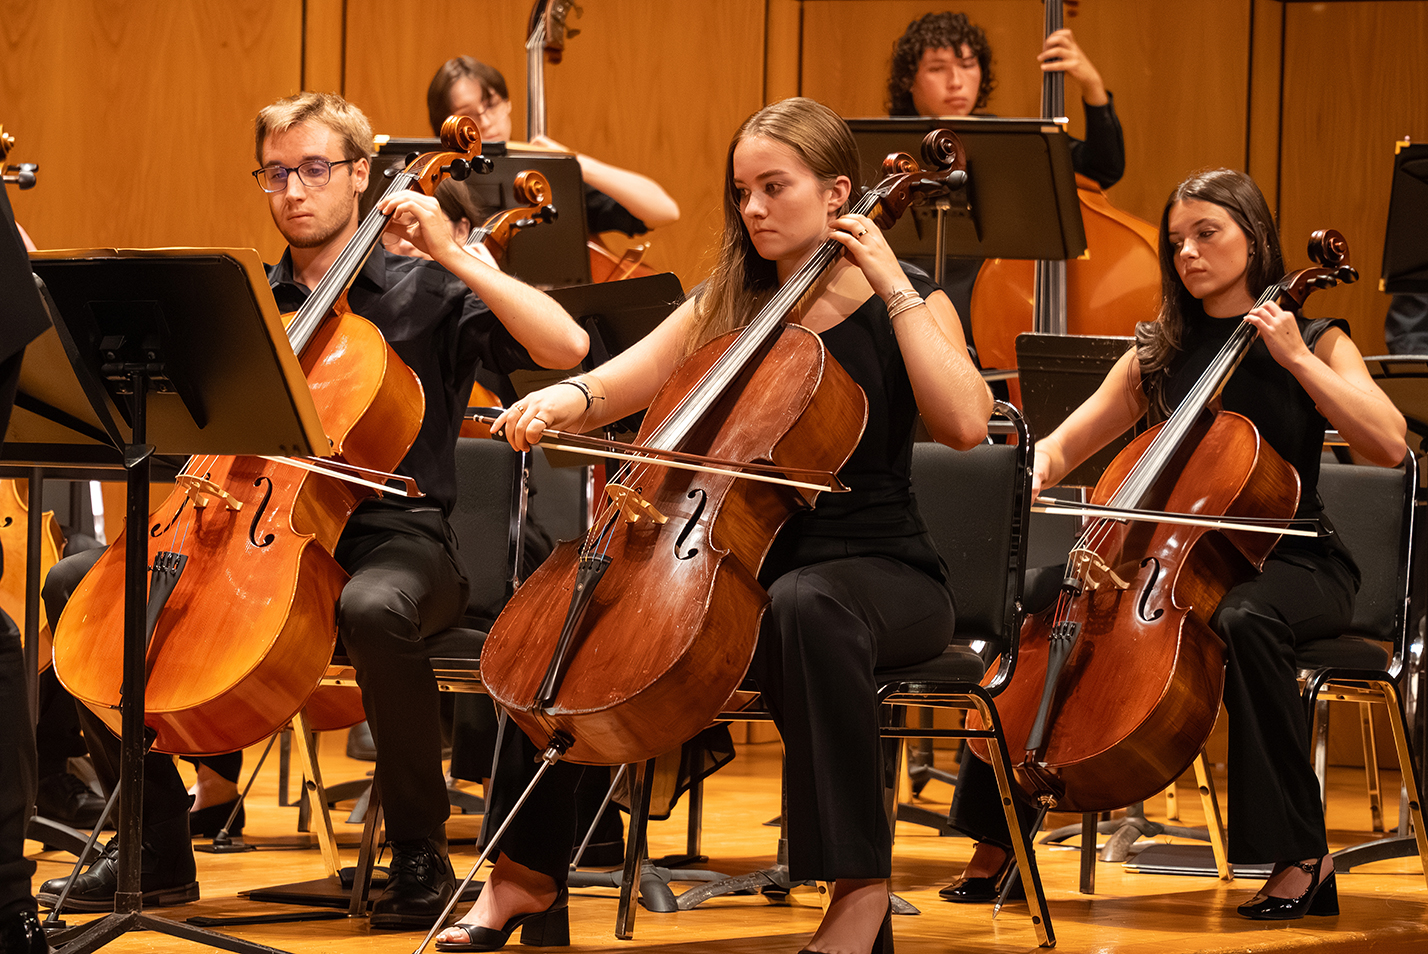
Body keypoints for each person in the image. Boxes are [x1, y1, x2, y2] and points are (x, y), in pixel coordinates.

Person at [432, 96, 990, 954]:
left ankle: (859, 894)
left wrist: (890, 282)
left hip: (883, 574)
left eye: (775, 187)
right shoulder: (734, 298)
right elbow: (628, 379)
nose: (754, 209)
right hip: (733, 575)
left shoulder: (909, 300)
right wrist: (564, 398)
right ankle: (524, 880)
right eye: (743, 192)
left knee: (812, 602)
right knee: (578, 616)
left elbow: (964, 424)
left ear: (840, 193)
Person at [36, 91, 588, 926]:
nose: (295, 190)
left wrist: (460, 255)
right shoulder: (242, 303)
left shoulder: (424, 289)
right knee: (79, 590)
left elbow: (566, 349)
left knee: (373, 606)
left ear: (362, 175)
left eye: (316, 169)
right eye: (276, 172)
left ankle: (418, 852)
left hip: (396, 537)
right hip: (241, 527)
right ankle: (154, 843)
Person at [940, 168, 1407, 921]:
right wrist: (1028, 473)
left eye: (1207, 234)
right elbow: (1065, 444)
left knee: (1249, 619)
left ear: (1254, 238)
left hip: (1292, 560)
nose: (1188, 252)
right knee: (1030, 596)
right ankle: (999, 836)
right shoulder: (1160, 351)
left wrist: (1295, 358)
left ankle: (1302, 858)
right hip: (1166, 560)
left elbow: (1388, 443)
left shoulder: (1317, 337)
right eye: (1177, 240)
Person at [886, 10, 1127, 349]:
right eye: (937, 68)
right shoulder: (886, 149)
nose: (956, 81)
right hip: (907, 289)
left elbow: (1103, 168)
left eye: (968, 65)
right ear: (908, 80)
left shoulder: (1011, 141)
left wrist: (1092, 87)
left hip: (991, 303)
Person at [427, 56, 679, 237]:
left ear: (507, 104)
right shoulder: (439, 186)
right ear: (445, 126)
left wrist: (575, 163)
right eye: (468, 114)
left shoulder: (544, 177)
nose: (484, 121)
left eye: (491, 104)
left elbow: (664, 211)